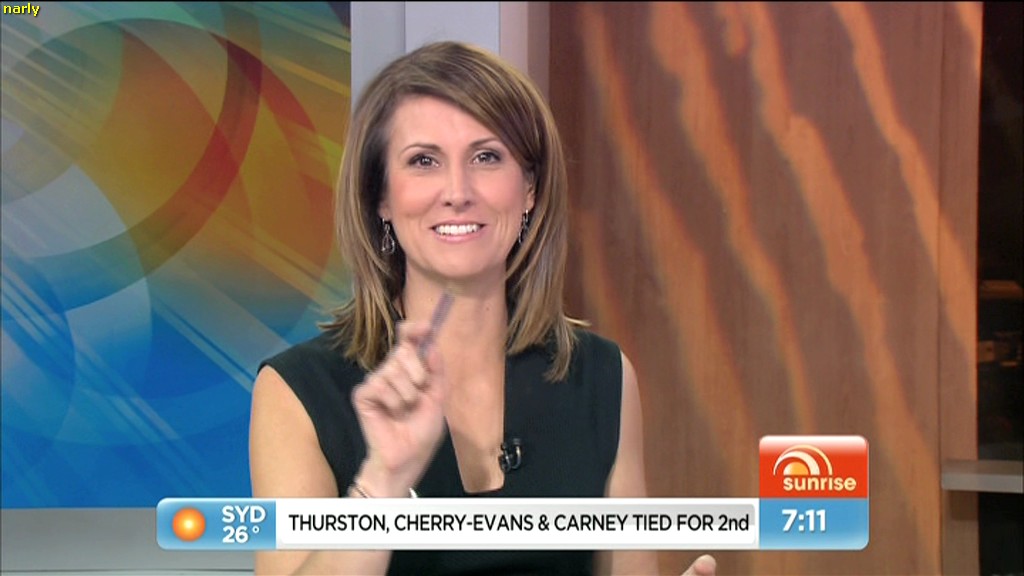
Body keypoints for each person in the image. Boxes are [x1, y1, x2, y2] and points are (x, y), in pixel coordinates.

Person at [249, 40, 717, 576]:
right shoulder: (298, 392)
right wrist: (382, 482)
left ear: (529, 189)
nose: (457, 191)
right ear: (380, 197)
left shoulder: (602, 377)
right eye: (424, 161)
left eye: (486, 157)